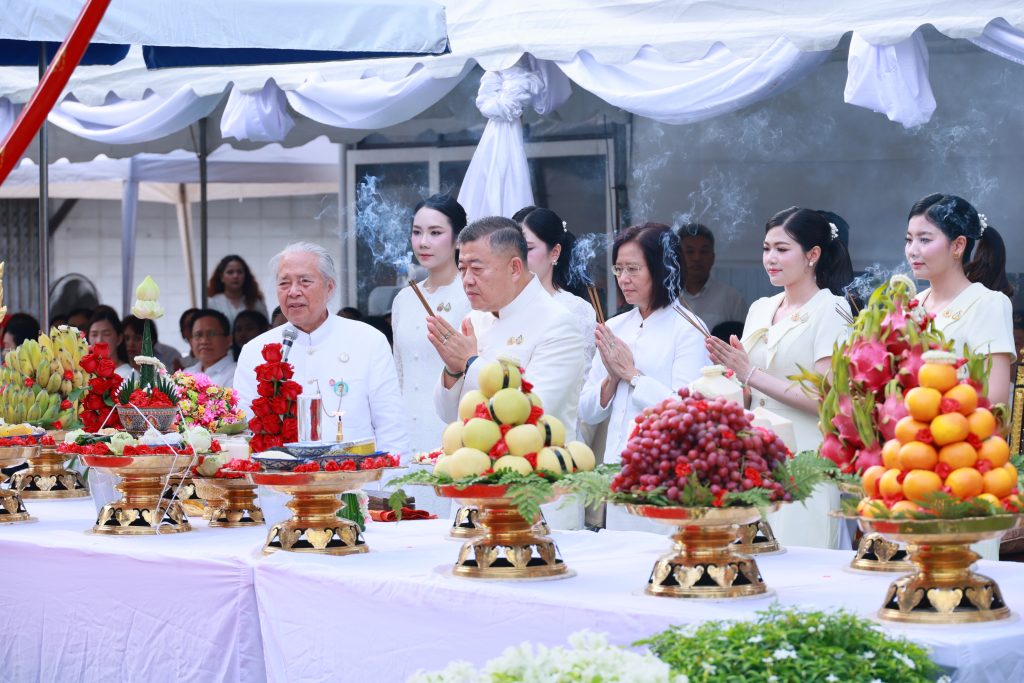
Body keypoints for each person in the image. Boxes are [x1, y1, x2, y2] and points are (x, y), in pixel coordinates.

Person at [705, 207, 853, 549]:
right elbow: (746, 385)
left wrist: (750, 373)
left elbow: (827, 399)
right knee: (751, 555)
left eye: (782, 249)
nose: (770, 258)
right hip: (754, 452)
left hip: (806, 453)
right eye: (766, 248)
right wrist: (728, 377)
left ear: (813, 255)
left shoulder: (832, 310)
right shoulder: (760, 307)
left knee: (801, 552)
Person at [578, 223, 710, 531]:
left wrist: (633, 376)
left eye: (633, 269)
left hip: (666, 476)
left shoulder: (688, 328)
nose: (623, 279)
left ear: (662, 269)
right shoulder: (616, 326)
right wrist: (612, 379)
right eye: (619, 269)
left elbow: (688, 414)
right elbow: (586, 411)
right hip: (617, 471)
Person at [234, 242, 409, 459]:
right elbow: (244, 433)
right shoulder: (255, 351)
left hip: (354, 477)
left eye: (304, 281)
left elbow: (391, 427)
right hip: (279, 478)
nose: (293, 292)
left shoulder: (369, 341)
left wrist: (390, 480)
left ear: (329, 287)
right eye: (284, 283)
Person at [431, 217, 585, 440]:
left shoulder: (558, 323)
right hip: (469, 457)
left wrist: (470, 362)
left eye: (476, 268)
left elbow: (532, 411)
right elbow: (447, 414)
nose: (467, 280)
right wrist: (453, 369)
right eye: (462, 269)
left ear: (514, 268)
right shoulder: (474, 318)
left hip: (532, 459)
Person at [906, 194, 1015, 404]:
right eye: (909, 240)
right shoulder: (913, 304)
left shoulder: (988, 303)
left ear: (958, 246)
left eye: (924, 239)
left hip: (953, 423)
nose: (912, 250)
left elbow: (994, 400)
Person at [391, 194, 472, 461]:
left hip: (453, 433)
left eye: (435, 233)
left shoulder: (471, 295)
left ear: (458, 238)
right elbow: (399, 376)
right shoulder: (404, 299)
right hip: (405, 434)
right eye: (417, 232)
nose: (423, 242)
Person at [513, 206, 598, 390]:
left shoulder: (574, 309)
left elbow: (578, 386)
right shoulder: (499, 307)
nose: (517, 258)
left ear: (554, 252)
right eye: (511, 248)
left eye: (527, 248)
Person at [677, 223, 746, 332]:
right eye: (689, 251)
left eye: (703, 251)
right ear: (677, 257)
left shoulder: (732, 299)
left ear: (712, 257)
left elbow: (744, 339)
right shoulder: (666, 297)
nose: (697, 258)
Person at [207, 255, 269, 328]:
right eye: (230, 272)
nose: (235, 276)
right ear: (221, 277)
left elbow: (266, 327)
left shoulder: (256, 302)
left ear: (245, 276)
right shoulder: (213, 303)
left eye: (239, 272)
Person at [186, 309, 237, 387]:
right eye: (198, 335)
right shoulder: (186, 374)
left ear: (228, 340)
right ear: (191, 343)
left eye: (212, 334)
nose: (204, 341)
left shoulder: (238, 373)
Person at [86, 306, 133, 380]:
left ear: (119, 338)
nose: (99, 340)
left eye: (106, 334)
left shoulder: (130, 375)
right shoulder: (83, 375)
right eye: (94, 335)